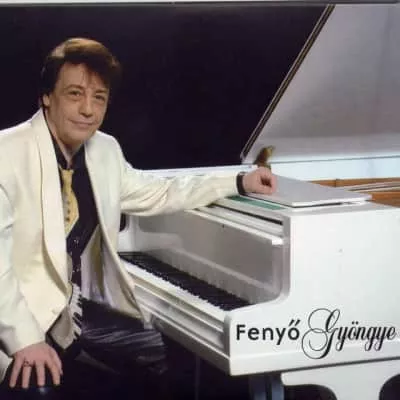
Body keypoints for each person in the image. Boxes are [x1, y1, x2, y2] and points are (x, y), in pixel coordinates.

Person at [0, 37, 276, 399]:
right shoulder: (6, 153)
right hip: (14, 316)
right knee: (38, 380)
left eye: (99, 97)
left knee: (165, 355)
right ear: (46, 97)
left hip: (68, 310)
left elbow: (157, 191)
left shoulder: (105, 150)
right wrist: (25, 340)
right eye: (74, 94)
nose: (88, 110)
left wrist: (238, 181)